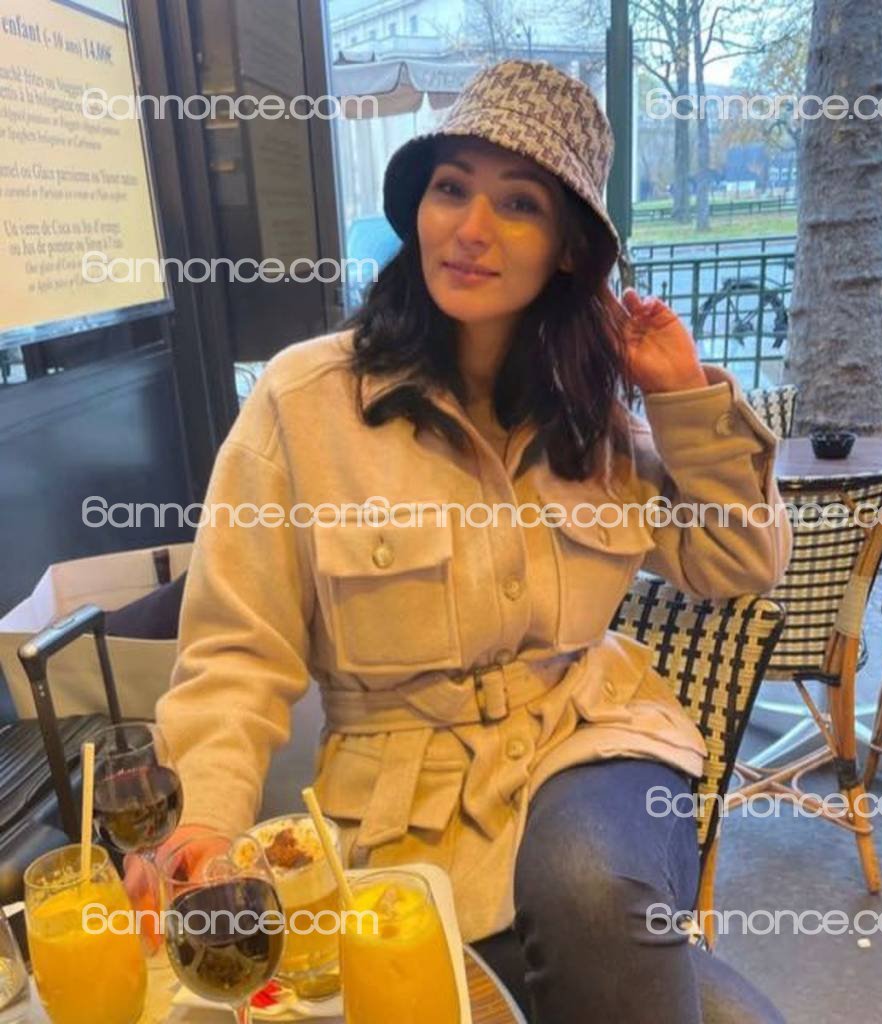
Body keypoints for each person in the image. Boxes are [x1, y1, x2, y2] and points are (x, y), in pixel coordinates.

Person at [154, 59, 792, 1023]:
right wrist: (206, 817)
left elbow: (739, 562)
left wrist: (684, 398)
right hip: (397, 803)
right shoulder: (302, 403)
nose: (472, 228)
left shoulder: (590, 411)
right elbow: (236, 650)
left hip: (589, 737)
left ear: (568, 250)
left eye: (520, 204)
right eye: (451, 188)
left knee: (587, 892)